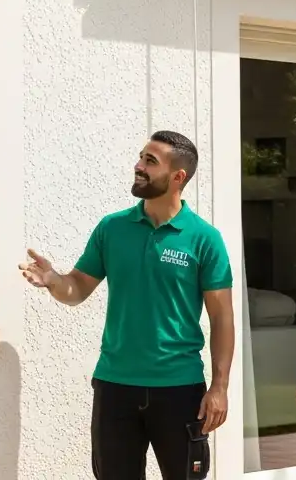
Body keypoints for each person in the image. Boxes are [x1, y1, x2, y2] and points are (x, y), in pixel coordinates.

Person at [19, 130, 234, 480]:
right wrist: (54, 281)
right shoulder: (112, 228)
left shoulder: (205, 238)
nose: (138, 166)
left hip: (180, 390)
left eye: (151, 161)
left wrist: (219, 387)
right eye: (140, 157)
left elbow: (222, 318)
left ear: (178, 176)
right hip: (115, 387)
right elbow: (77, 289)